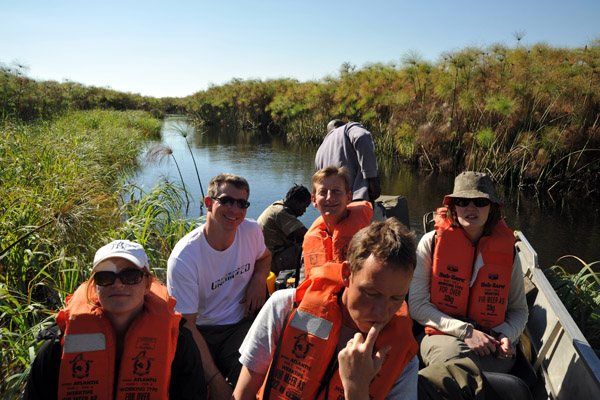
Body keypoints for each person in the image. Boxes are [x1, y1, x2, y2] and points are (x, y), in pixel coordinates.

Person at [233, 218, 420, 400]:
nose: (381, 312)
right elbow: (243, 395)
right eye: (371, 293)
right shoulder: (285, 307)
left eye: (396, 298)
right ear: (347, 274)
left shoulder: (404, 358)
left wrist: (356, 389)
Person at [25, 239, 206, 400]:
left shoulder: (179, 343)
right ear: (95, 286)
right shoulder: (57, 347)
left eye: (131, 276)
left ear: (147, 284)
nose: (118, 284)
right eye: (106, 277)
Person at [408, 171, 529, 375]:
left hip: (492, 342)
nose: (471, 208)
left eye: (480, 202)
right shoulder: (430, 243)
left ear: (491, 208)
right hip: (442, 335)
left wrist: (506, 334)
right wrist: (467, 332)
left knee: (484, 369)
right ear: (453, 207)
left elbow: (519, 310)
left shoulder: (508, 252)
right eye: (463, 201)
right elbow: (418, 306)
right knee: (456, 360)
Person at [167, 173, 271, 399]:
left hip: (239, 326)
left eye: (241, 203)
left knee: (260, 383)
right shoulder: (185, 258)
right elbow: (188, 326)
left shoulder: (251, 231)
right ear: (208, 203)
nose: (234, 209)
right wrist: (215, 381)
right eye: (225, 200)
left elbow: (264, 257)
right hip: (200, 331)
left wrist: (259, 279)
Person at [302, 166, 373, 280]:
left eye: (336, 191)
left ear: (348, 197)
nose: (330, 197)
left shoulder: (369, 237)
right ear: (314, 200)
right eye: (323, 192)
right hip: (320, 295)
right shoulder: (311, 238)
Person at [315, 119, 381, 202]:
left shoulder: (320, 151)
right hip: (357, 199)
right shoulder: (347, 128)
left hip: (334, 205)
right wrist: (372, 178)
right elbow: (362, 136)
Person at [257, 184, 311, 275]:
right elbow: (308, 236)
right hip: (270, 262)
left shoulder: (278, 206)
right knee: (310, 247)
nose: (304, 211)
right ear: (296, 202)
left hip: (267, 257)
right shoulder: (281, 213)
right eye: (304, 206)